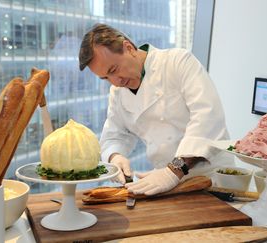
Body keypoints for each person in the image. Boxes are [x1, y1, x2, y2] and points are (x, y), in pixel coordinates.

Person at [79, 23, 232, 196]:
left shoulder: (177, 62)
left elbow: (208, 118)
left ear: (128, 48)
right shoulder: (117, 92)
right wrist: (115, 157)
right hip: (163, 184)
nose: (115, 81)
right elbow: (115, 134)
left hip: (212, 179)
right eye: (106, 78)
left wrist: (174, 170)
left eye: (114, 70)